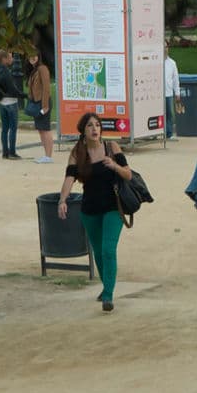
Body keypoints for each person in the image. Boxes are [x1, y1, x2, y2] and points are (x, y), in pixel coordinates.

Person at [57, 110, 136, 312]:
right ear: (83, 130)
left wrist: (115, 166)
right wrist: (62, 200)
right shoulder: (77, 153)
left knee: (108, 249)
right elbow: (69, 178)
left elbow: (128, 175)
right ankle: (106, 285)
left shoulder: (111, 147)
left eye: (98, 125)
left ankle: (108, 294)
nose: (95, 129)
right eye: (90, 125)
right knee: (99, 252)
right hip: (90, 209)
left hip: (113, 207)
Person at [0, 48, 28, 159]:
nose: (12, 59)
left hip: (1, 103)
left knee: (4, 128)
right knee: (12, 128)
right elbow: (12, 90)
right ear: (4, 59)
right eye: (10, 57)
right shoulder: (6, 71)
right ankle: (12, 152)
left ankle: (5, 152)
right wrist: (25, 95)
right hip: (11, 102)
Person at [25, 48, 57, 162]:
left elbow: (46, 88)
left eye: (34, 56)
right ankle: (46, 155)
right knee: (41, 130)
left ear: (38, 57)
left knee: (45, 129)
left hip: (43, 103)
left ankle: (48, 156)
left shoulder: (42, 69)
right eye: (30, 56)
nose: (32, 58)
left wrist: (45, 106)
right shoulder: (35, 70)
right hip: (37, 102)